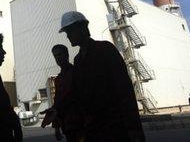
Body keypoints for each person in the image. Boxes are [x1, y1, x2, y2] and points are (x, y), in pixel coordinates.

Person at [59, 11, 145, 142]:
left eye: (70, 31)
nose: (68, 36)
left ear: (82, 28)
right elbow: (77, 95)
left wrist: (134, 129)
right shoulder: (78, 60)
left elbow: (124, 90)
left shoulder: (105, 50)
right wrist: (58, 109)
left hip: (115, 128)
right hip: (93, 130)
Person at [41, 44, 82, 141]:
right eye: (55, 56)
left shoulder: (76, 72)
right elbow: (57, 101)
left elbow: (77, 97)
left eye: (60, 54)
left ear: (67, 55)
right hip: (67, 125)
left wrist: (57, 109)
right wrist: (57, 128)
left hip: (80, 123)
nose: (57, 58)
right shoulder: (58, 79)